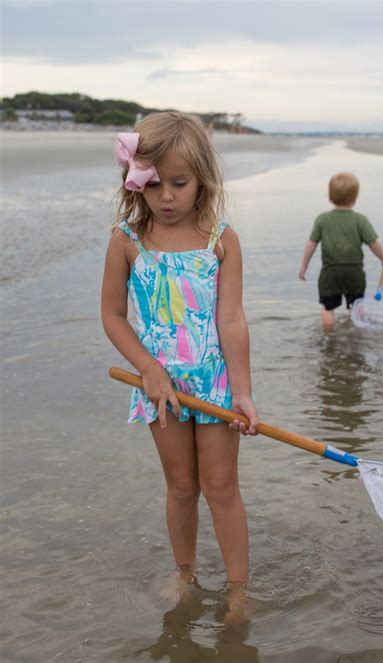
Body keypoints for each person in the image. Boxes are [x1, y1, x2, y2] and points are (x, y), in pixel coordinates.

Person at [101, 111, 258, 618]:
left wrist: (243, 391)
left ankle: (238, 590)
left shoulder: (220, 239)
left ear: (202, 181)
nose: (166, 196)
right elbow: (112, 315)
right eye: (153, 184)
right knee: (182, 486)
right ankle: (186, 572)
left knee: (220, 486)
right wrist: (148, 367)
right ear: (134, 182)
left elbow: (231, 320)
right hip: (158, 387)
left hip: (212, 383)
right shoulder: (127, 240)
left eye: (179, 183)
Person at [298, 172, 383, 328]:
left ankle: (328, 337)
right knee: (357, 306)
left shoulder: (322, 219)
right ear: (355, 198)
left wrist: (303, 266)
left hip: (330, 273)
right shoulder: (360, 220)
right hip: (354, 273)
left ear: (329, 196)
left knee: (328, 308)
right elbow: (373, 243)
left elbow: (311, 244)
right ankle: (357, 336)